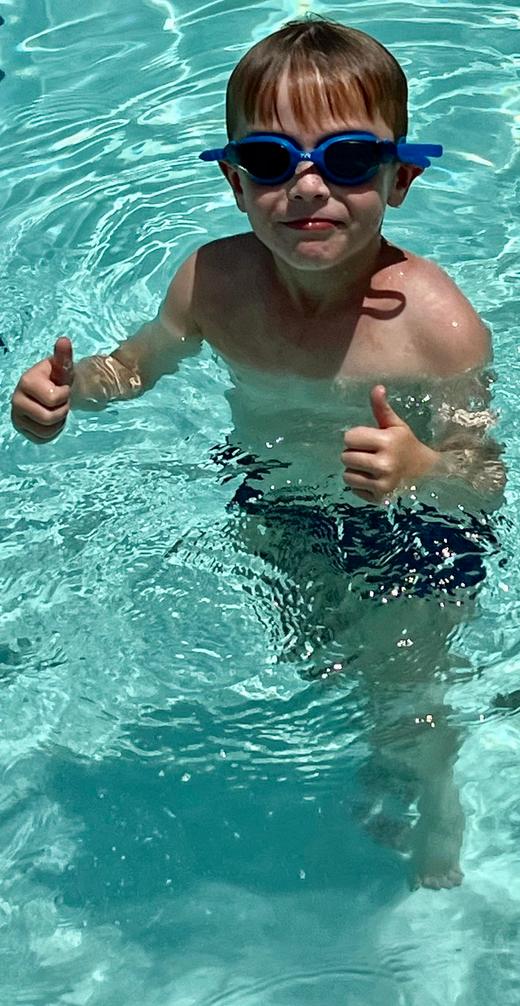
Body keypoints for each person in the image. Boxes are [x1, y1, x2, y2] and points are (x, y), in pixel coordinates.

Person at [10, 17, 504, 888]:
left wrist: (421, 469)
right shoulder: (214, 284)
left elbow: (486, 480)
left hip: (412, 530)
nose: (308, 186)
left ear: (400, 179)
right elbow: (133, 368)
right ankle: (379, 756)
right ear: (237, 183)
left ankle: (437, 804)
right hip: (276, 500)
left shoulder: (436, 326)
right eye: (273, 161)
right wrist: (67, 392)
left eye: (349, 159)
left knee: (406, 697)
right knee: (324, 659)